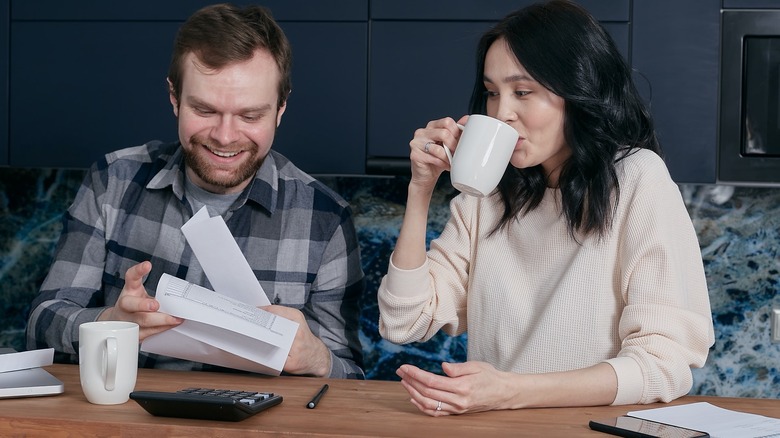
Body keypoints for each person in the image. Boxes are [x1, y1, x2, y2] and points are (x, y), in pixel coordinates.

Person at [377, 0, 714, 415]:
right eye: (491, 93)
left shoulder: (638, 180)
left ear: (577, 91)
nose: (502, 114)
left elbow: (665, 365)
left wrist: (511, 391)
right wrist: (420, 189)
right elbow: (404, 321)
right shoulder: (488, 199)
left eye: (522, 92)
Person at [26, 3, 365, 379]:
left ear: (281, 109)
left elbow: (351, 377)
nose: (224, 136)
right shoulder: (113, 181)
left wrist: (316, 358)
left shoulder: (326, 218)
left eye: (250, 116)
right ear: (174, 97)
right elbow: (42, 323)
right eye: (204, 110)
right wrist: (110, 323)